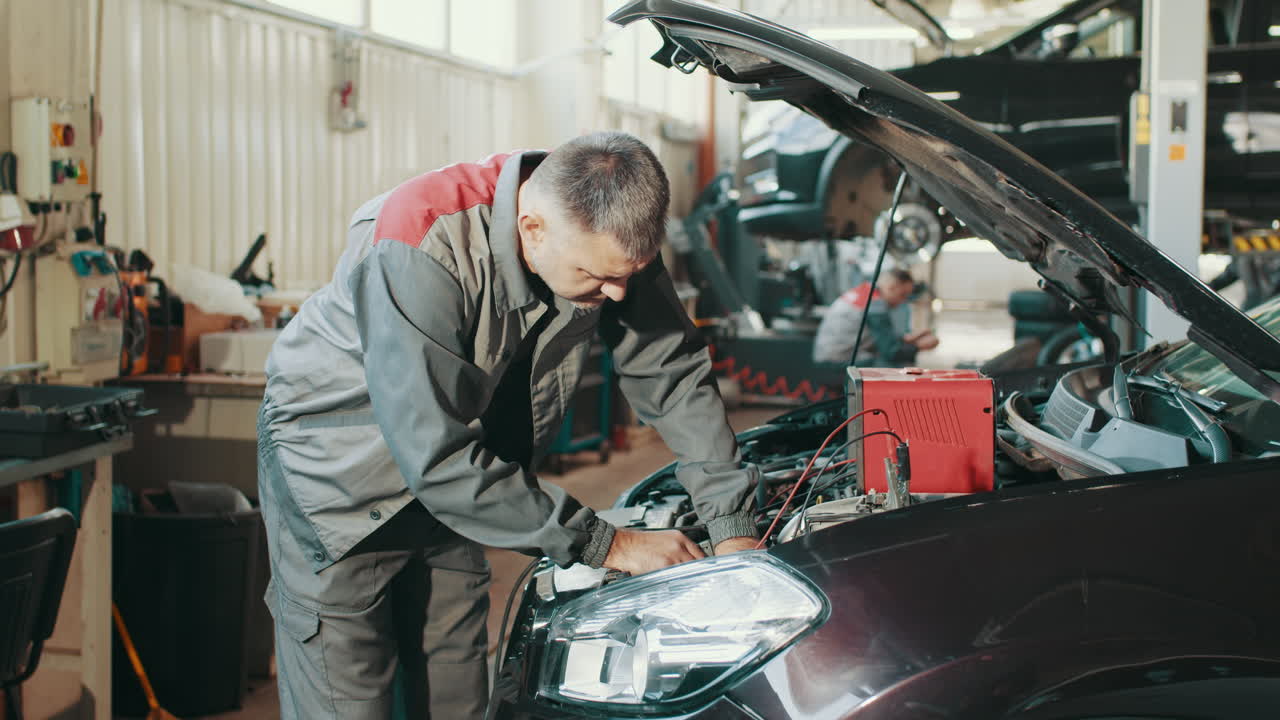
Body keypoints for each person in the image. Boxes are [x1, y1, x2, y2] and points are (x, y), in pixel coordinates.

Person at [256, 131, 759, 719]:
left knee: (455, 693)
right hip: (341, 471)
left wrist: (734, 527)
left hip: (468, 472)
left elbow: (672, 373)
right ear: (532, 226)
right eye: (596, 278)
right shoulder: (419, 241)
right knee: (349, 697)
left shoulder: (606, 236)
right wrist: (609, 544)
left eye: (629, 275)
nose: (617, 292)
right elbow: (435, 457)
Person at [812, 268, 938, 366]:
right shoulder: (875, 304)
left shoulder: (866, 291)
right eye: (903, 295)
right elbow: (890, 352)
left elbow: (880, 339)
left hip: (827, 355)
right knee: (892, 369)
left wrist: (909, 339)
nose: (903, 301)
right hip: (837, 360)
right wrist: (920, 346)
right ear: (891, 287)